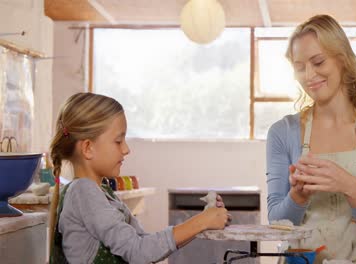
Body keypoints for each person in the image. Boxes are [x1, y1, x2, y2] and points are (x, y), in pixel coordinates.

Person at [266, 14, 356, 264]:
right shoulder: (283, 132)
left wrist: (347, 183)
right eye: (300, 67)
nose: (309, 75)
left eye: (318, 62)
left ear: (343, 59)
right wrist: (298, 196)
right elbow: (277, 224)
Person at [48, 92, 230, 263]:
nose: (126, 149)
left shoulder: (102, 193)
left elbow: (147, 245)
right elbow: (139, 251)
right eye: (118, 141)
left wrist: (204, 221)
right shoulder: (84, 192)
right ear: (88, 148)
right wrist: (201, 222)